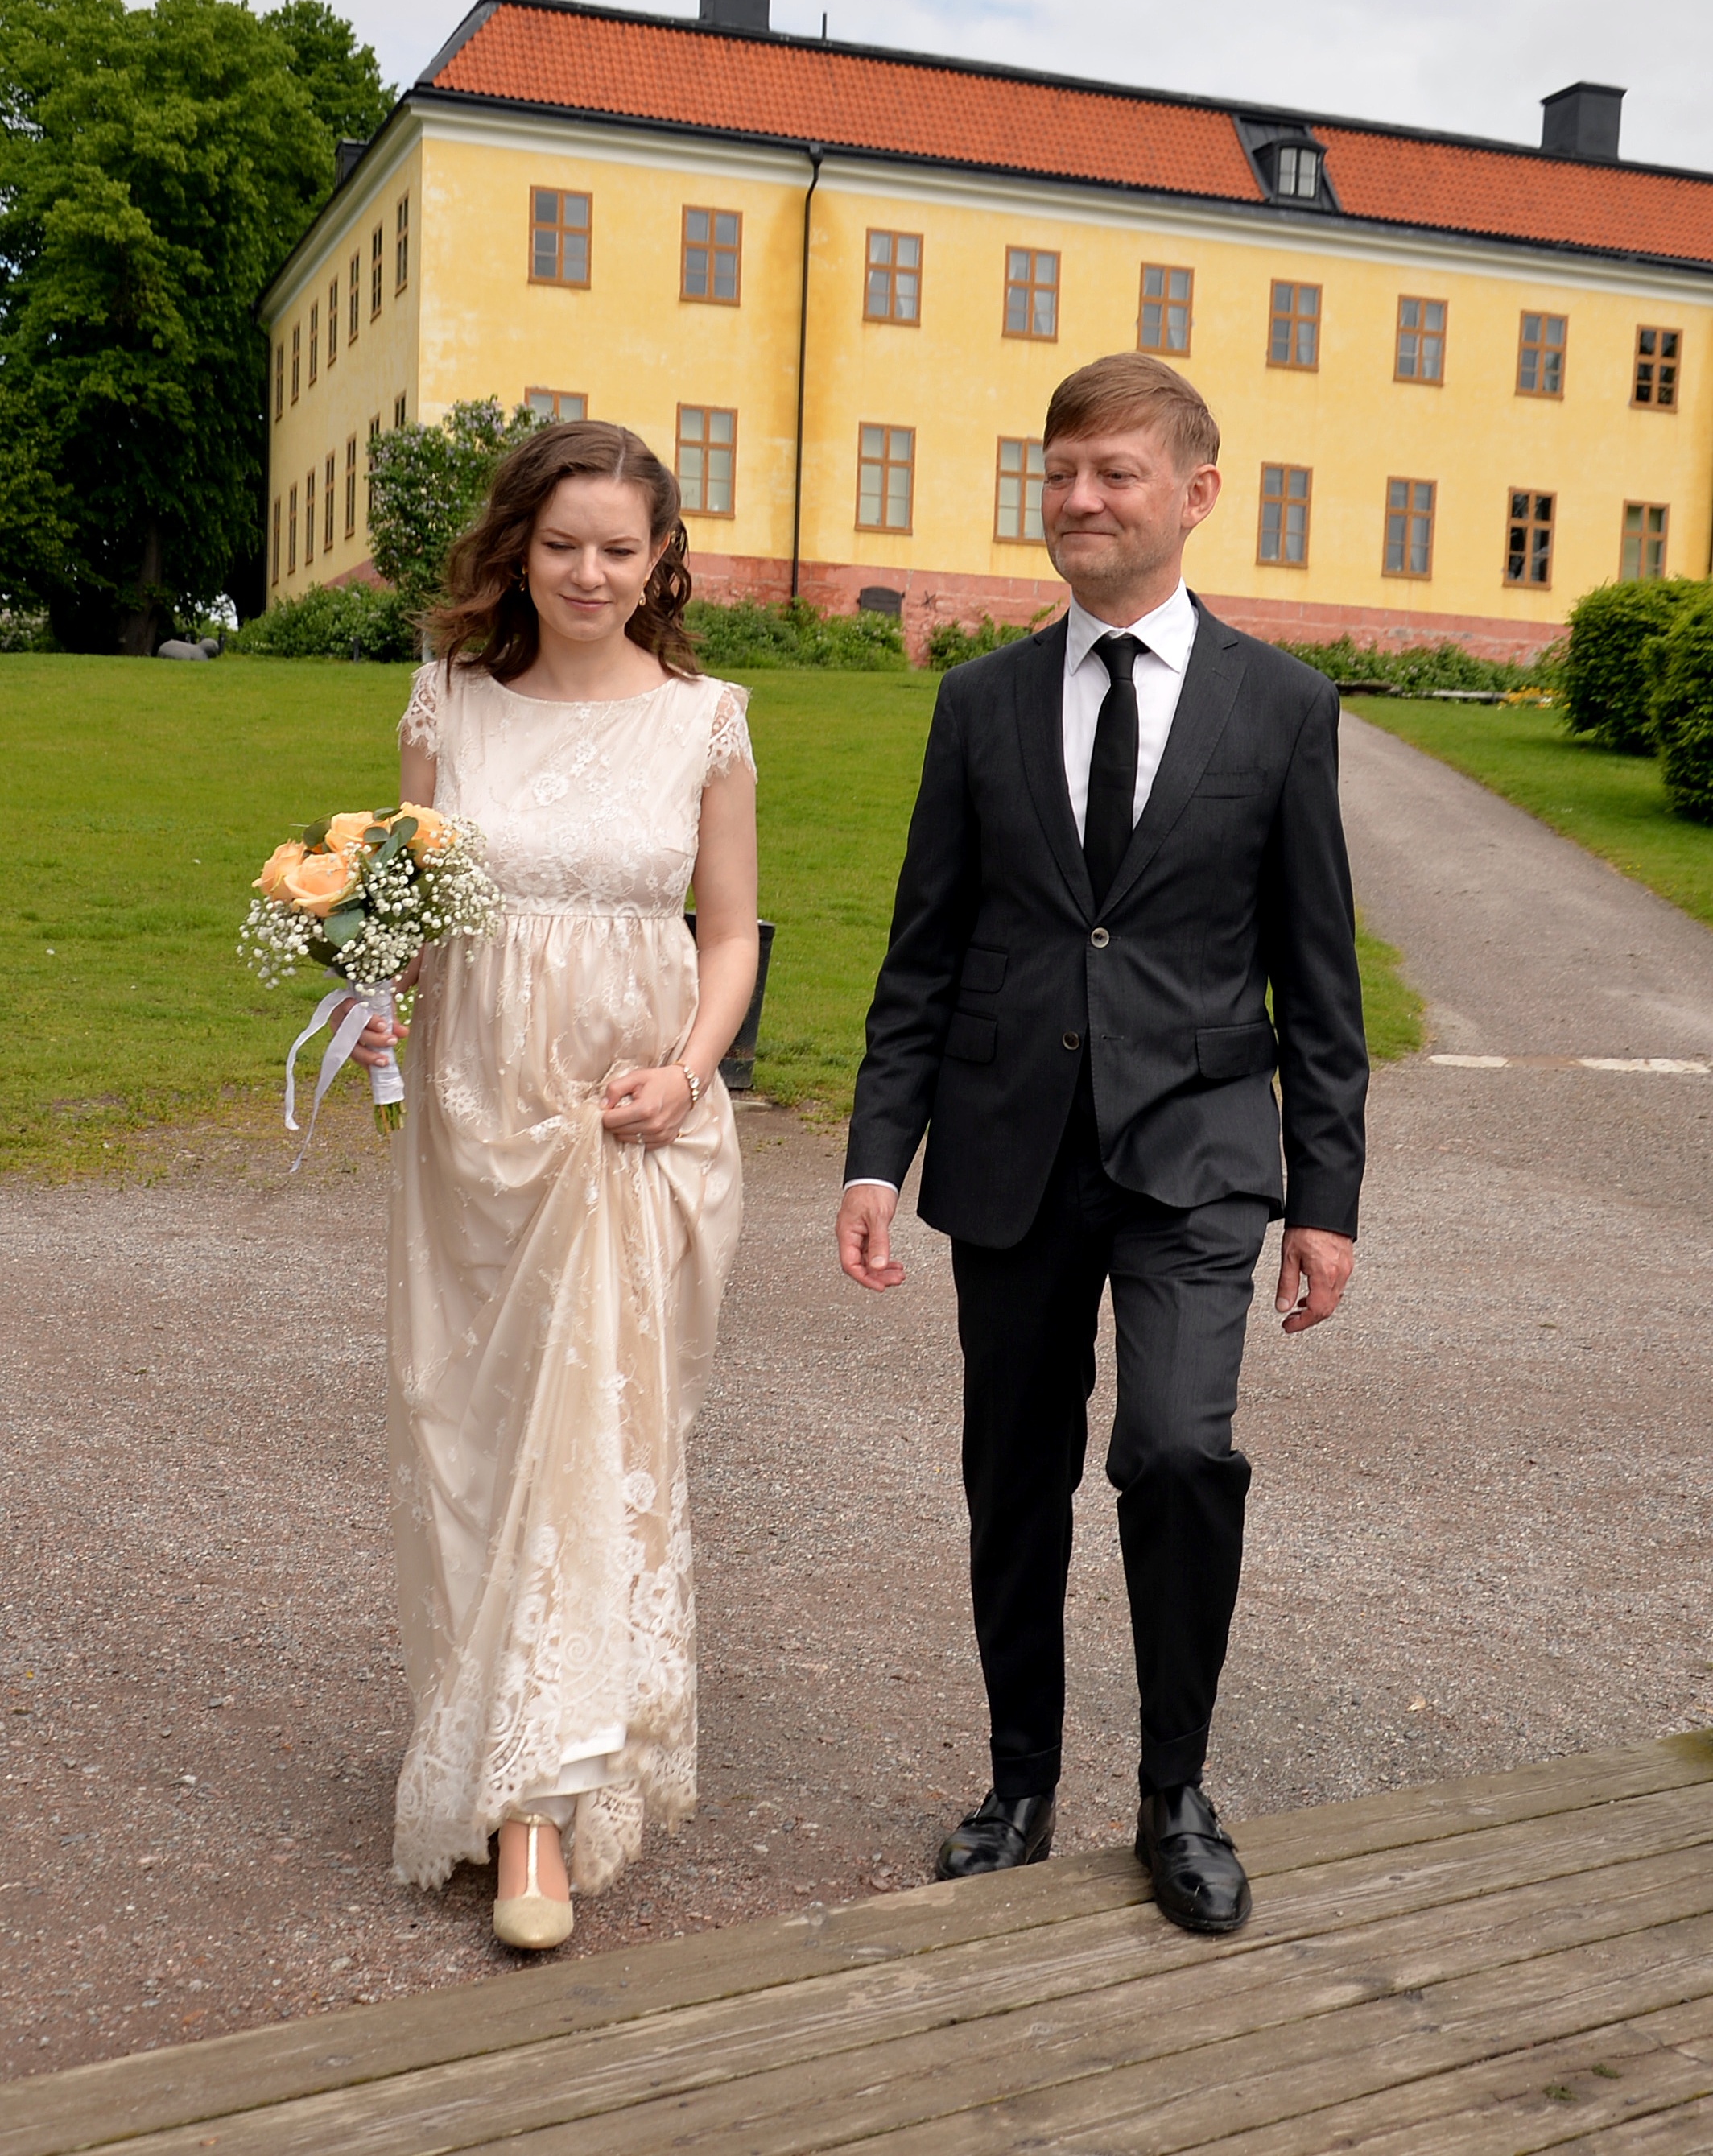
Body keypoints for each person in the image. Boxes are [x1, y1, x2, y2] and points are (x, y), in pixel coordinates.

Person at [836, 354, 1367, 1936]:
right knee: (1013, 1473)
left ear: (1194, 494)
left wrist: (1325, 1197)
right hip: (1011, 1150)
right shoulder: (978, 702)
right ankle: (1018, 1782)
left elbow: (1318, 975)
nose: (1075, 497)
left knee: (1178, 1451)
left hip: (1195, 1152)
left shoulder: (1282, 707)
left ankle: (1174, 1794)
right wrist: (875, 1156)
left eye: (1112, 472)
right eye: (1058, 469)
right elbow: (922, 953)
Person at [341, 418, 758, 1948]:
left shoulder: (708, 722)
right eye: (563, 543)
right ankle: (490, 1737)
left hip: (629, 1128)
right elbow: (403, 905)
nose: (590, 572)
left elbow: (731, 932)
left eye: (619, 548)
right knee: (471, 1431)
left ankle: (537, 1798)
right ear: (517, 546)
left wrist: (692, 1068)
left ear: (661, 560)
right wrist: (367, 985)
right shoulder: (445, 702)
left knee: (598, 1434)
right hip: (474, 1128)